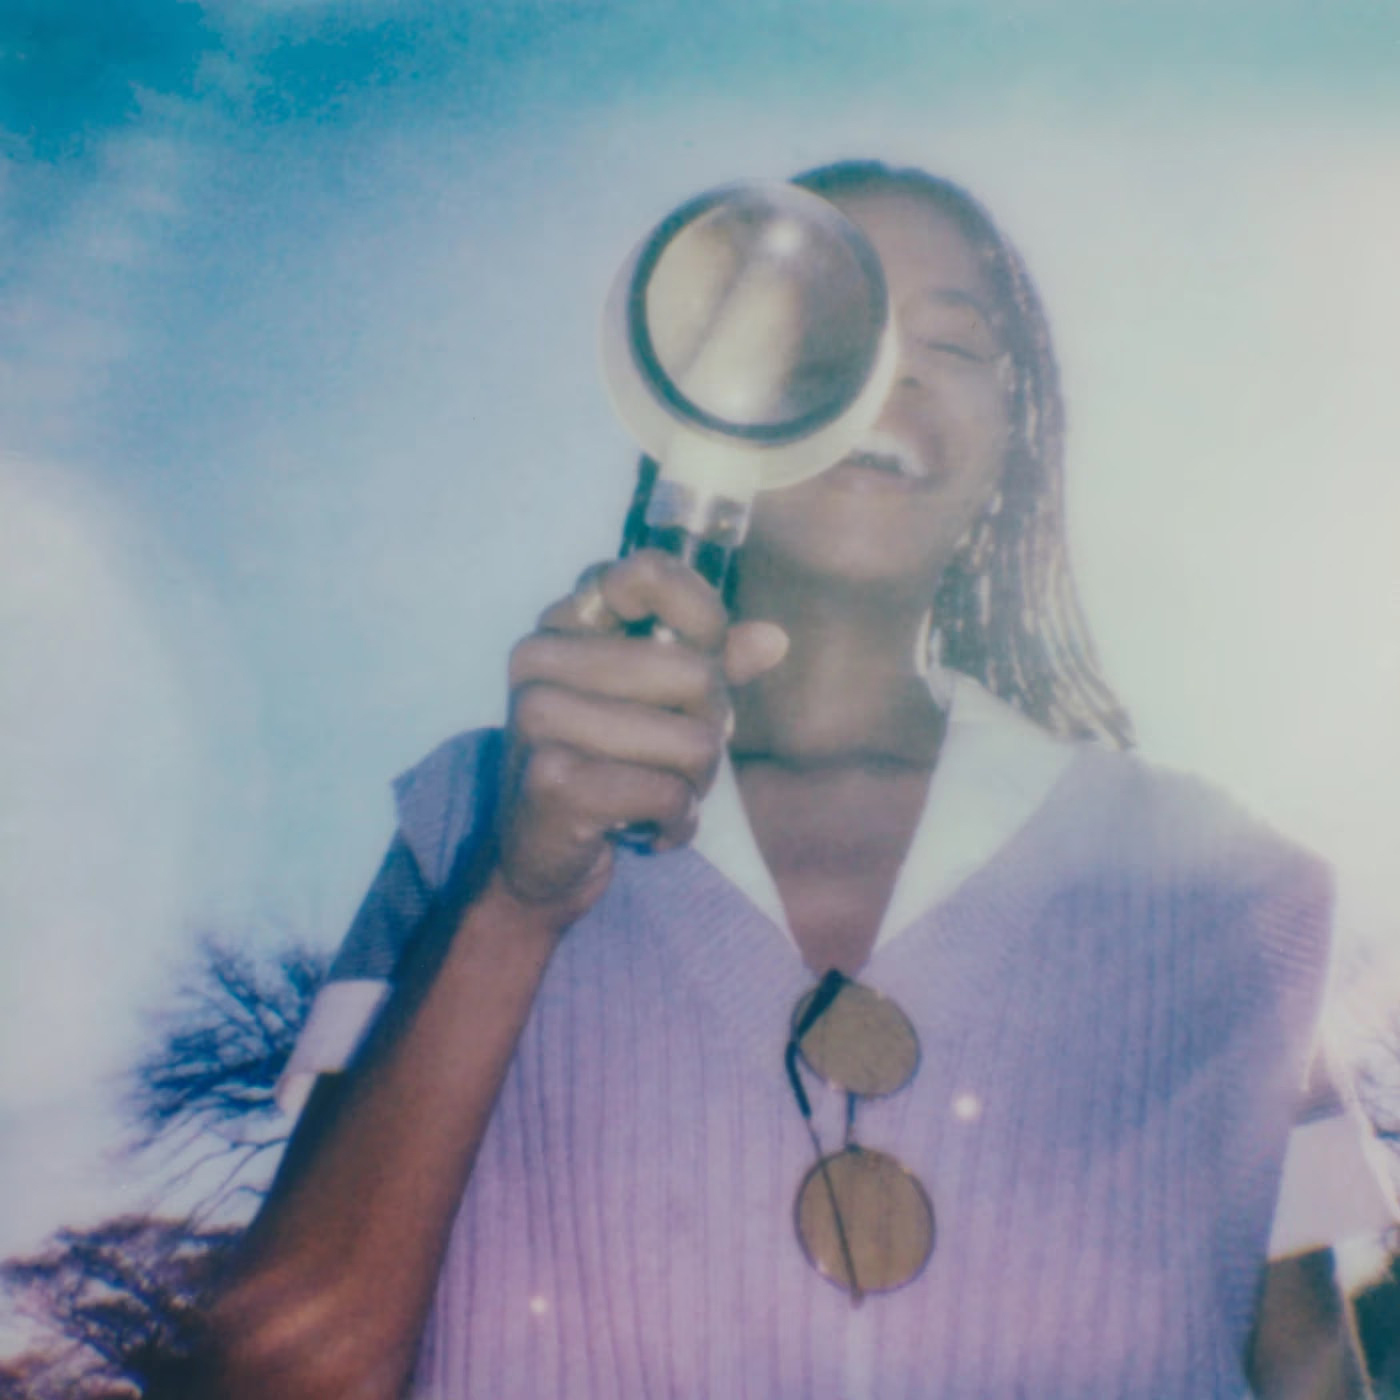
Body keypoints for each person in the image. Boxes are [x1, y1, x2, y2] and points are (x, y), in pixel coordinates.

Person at [199, 162, 1390, 1398]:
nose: (889, 371)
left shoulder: (1225, 888)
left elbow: (1312, 1370)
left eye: (952, 340)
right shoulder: (468, 819)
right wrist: (511, 903)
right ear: (703, 406)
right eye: (823, 325)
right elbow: (269, 1379)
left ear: (1011, 446)